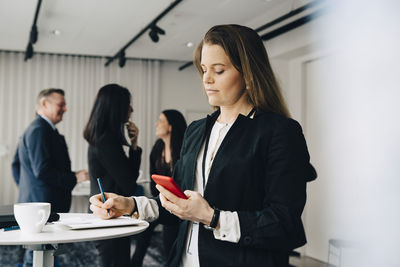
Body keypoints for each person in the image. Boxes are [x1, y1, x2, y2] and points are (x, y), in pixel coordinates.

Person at [90, 24, 317, 267]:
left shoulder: (279, 132)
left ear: (248, 73)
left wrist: (211, 217)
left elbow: (284, 222)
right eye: (204, 69)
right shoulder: (196, 130)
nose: (206, 79)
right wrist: (130, 205)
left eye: (218, 71)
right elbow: (177, 203)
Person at [12, 88, 89, 267]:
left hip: (36, 202)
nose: (65, 108)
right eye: (61, 104)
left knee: (41, 255)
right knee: (38, 256)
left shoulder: (36, 129)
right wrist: (75, 177)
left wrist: (29, 189)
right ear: (45, 104)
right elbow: (43, 171)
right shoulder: (40, 130)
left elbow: (15, 165)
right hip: (42, 207)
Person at [83, 83, 142, 267]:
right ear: (116, 108)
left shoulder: (101, 138)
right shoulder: (106, 142)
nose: (131, 110)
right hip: (109, 216)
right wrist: (134, 148)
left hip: (107, 214)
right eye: (127, 105)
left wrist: (133, 145)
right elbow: (129, 184)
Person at [131, 110, 187, 267]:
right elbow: (152, 177)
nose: (157, 123)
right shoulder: (158, 147)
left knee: (169, 243)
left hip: (178, 204)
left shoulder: (184, 148)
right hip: (161, 199)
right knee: (144, 228)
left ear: (170, 126)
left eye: (160, 120)